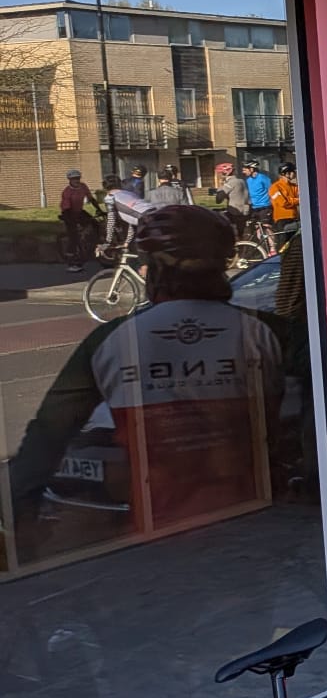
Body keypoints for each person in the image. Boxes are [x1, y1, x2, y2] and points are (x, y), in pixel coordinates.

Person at [15, 205, 282, 530]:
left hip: (159, 526)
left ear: (156, 269)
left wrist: (20, 509)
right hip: (263, 514)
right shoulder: (268, 331)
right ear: (221, 264)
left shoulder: (112, 339)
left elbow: (48, 432)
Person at [58, 169, 99, 273]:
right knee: (73, 237)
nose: (76, 180)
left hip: (79, 211)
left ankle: (90, 243)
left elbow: (91, 198)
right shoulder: (67, 191)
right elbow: (66, 208)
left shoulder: (83, 186)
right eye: (74, 179)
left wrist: (99, 209)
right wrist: (71, 220)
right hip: (68, 212)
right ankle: (71, 263)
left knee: (95, 223)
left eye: (78, 178)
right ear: (69, 180)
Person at [270, 162, 301, 228]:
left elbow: (303, 198)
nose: (295, 173)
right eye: (293, 171)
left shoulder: (294, 186)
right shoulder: (275, 187)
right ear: (287, 173)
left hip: (294, 218)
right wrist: (298, 200)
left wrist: (295, 200)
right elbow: (284, 203)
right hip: (282, 220)